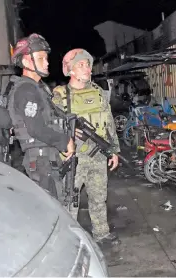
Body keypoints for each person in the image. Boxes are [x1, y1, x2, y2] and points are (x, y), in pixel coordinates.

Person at [53, 48, 121, 246]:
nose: (86, 69)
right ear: (70, 70)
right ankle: (70, 241)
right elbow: (51, 125)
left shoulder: (98, 92)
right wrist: (68, 135)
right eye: (80, 65)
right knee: (70, 202)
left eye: (88, 64)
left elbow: (109, 123)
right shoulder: (60, 95)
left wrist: (114, 150)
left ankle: (101, 233)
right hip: (73, 158)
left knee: (99, 197)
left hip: (98, 155)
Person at [6, 33, 75, 199]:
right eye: (41, 58)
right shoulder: (26, 90)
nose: (47, 62)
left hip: (44, 157)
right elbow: (36, 128)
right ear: (26, 61)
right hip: (41, 160)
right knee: (52, 209)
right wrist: (64, 141)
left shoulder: (36, 88)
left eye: (46, 58)